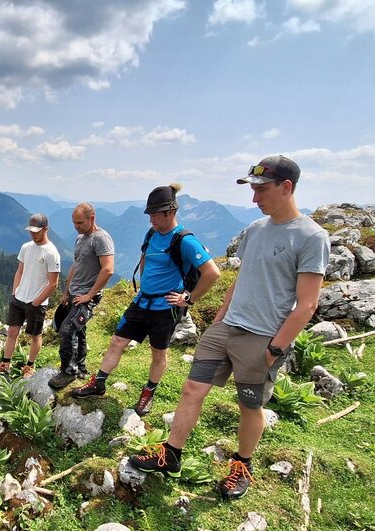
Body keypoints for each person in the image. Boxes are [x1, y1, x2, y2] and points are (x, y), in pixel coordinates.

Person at [130, 155, 330, 500]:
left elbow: (307, 304)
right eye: (253, 190)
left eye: (262, 190)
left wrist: (275, 348)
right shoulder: (255, 230)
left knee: (249, 405)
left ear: (286, 188)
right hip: (227, 328)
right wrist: (220, 320)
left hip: (262, 336)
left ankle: (242, 464)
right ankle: (171, 454)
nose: (255, 199)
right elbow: (241, 280)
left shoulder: (311, 237)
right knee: (192, 388)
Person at [71, 184, 220, 416]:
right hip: (142, 301)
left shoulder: (185, 240)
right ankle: (98, 383)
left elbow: (212, 272)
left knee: (158, 353)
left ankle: (149, 392)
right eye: (149, 214)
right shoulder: (151, 234)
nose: (151, 219)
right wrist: (143, 285)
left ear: (169, 212)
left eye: (154, 214)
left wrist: (189, 299)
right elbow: (144, 259)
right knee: (117, 341)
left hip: (165, 308)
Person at [48, 203, 115, 389]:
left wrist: (90, 295)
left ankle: (68, 372)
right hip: (74, 293)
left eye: (80, 222)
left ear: (92, 217)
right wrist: (66, 291)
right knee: (78, 330)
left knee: (67, 330)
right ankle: (81, 367)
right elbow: (76, 265)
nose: (76, 226)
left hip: (87, 296)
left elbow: (108, 269)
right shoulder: (80, 239)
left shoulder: (101, 238)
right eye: (74, 223)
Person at [0, 214, 61, 378]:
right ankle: (6, 362)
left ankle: (30, 365)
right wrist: (15, 291)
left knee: (35, 335)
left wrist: (36, 302)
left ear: (45, 229)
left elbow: (53, 283)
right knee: (12, 331)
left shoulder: (51, 253)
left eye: (36, 231)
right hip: (19, 298)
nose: (32, 234)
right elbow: (20, 270)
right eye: (31, 231)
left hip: (36, 302)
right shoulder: (26, 247)